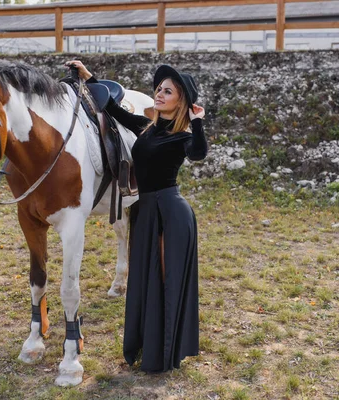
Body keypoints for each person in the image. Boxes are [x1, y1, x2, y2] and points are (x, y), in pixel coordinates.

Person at [65, 60, 208, 372]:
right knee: (145, 281)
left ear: (180, 100)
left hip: (170, 213)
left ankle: (164, 354)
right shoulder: (147, 129)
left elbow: (199, 152)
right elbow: (113, 109)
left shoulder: (182, 136)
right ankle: (147, 347)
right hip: (144, 210)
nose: (158, 94)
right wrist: (91, 79)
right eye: (158, 89)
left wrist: (196, 121)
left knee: (165, 282)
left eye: (167, 91)